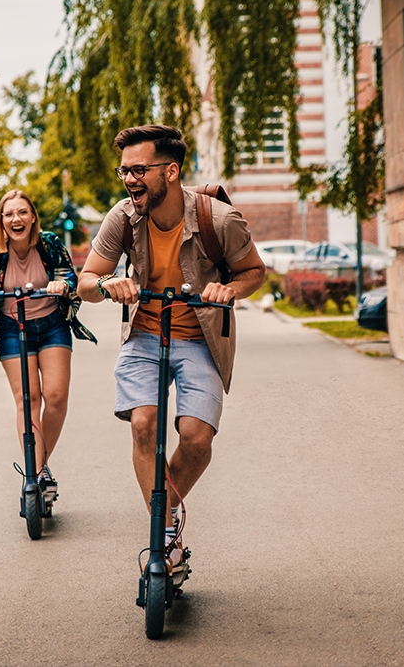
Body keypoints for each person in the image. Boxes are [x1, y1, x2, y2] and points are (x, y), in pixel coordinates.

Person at [78, 124, 265, 573]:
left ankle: (164, 518)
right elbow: (85, 282)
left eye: (139, 169)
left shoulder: (219, 220)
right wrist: (108, 284)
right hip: (144, 333)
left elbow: (255, 272)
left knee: (197, 440)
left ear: (171, 171)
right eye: (124, 171)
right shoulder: (122, 217)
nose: (129, 179)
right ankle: (165, 538)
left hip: (200, 337)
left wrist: (228, 289)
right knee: (143, 424)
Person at [0, 189, 97, 497]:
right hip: (13, 328)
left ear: (33, 217)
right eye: (10, 213)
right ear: (1, 221)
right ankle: (37, 475)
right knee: (28, 400)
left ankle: (39, 468)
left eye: (23, 212)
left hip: (52, 325)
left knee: (55, 397)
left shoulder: (49, 244)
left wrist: (61, 285)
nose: (17, 218)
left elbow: (72, 281)